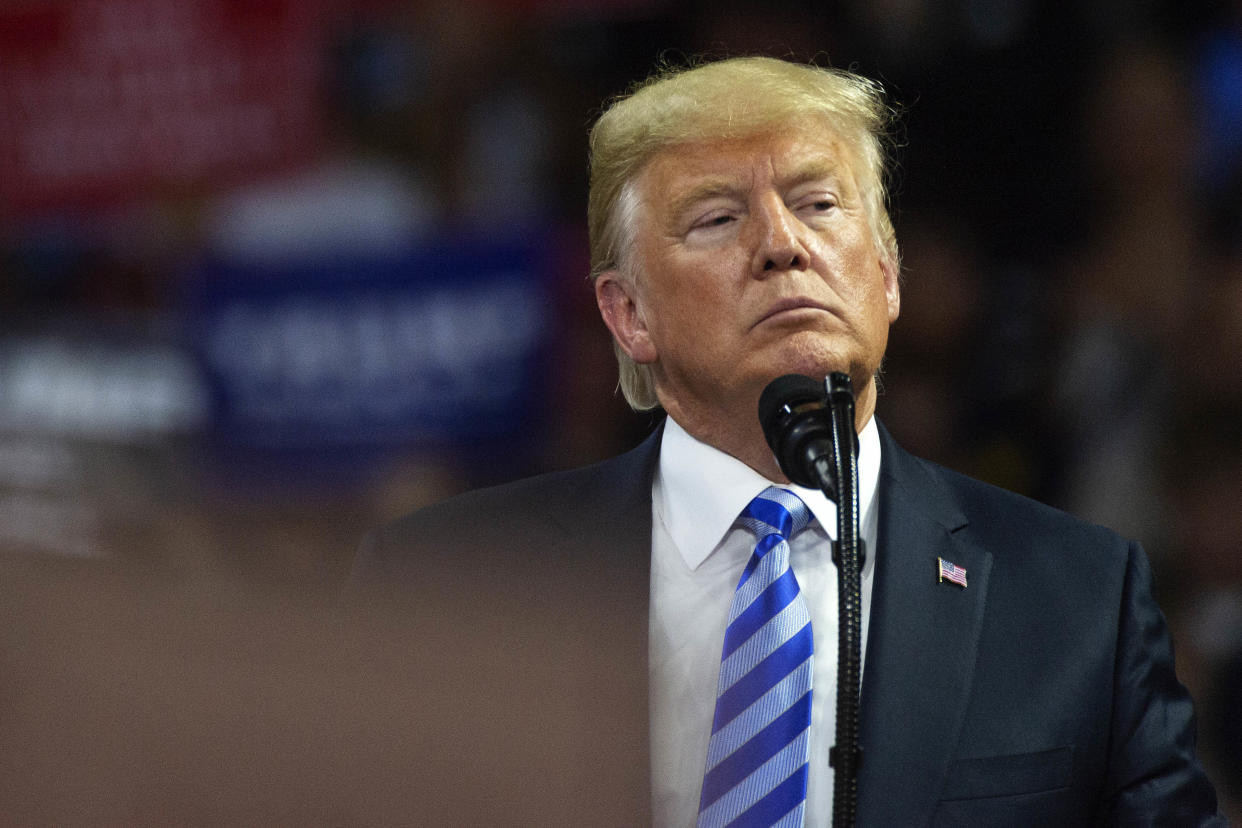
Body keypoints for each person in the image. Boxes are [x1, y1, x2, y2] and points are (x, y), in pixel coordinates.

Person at [348, 56, 1223, 825]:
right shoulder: (442, 587)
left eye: (819, 203)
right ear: (628, 313)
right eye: (717, 219)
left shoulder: (1076, 601)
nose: (782, 245)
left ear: (885, 276)